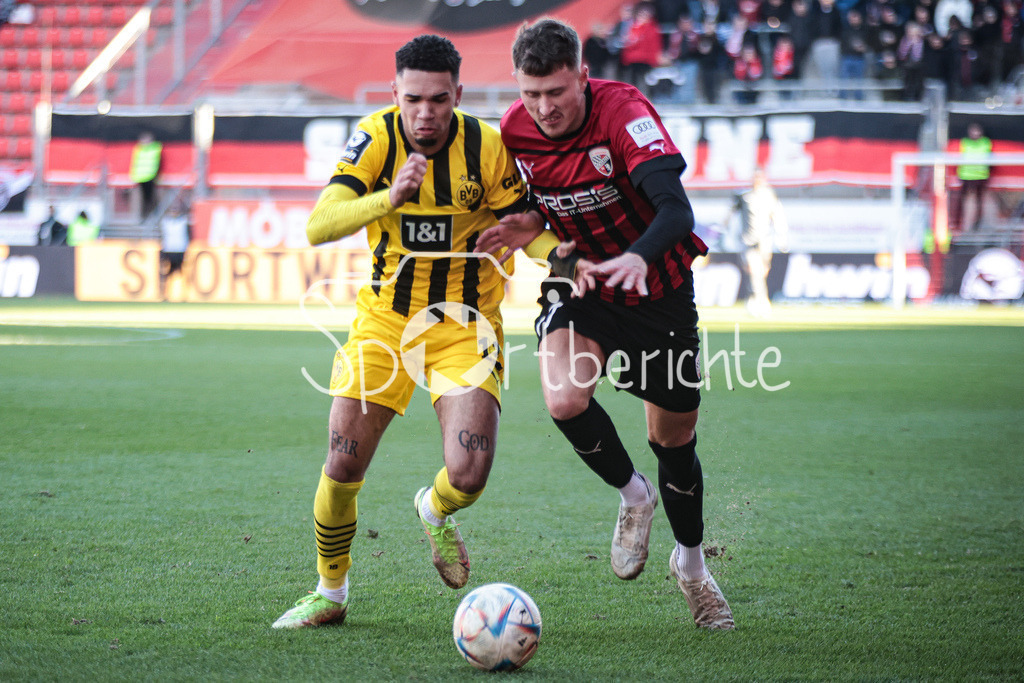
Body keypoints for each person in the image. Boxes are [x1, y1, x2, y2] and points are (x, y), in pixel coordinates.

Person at [272, 34, 570, 630]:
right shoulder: (376, 138)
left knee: (468, 474)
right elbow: (319, 224)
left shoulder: (486, 147)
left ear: (457, 94)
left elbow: (519, 229)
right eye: (413, 99)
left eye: (439, 99)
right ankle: (331, 591)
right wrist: (389, 197)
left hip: (467, 326)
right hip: (386, 323)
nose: (425, 112)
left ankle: (434, 509)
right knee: (342, 464)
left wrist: (559, 257)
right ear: (395, 93)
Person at [477, 18, 734, 630]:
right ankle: (632, 496)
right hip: (583, 285)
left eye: (556, 93)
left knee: (674, 446)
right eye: (530, 94)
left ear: (583, 78)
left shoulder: (623, 112)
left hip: (658, 289)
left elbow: (676, 210)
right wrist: (529, 228)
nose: (543, 108)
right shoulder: (512, 132)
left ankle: (692, 568)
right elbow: (536, 210)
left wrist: (636, 257)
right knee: (564, 400)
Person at [726, 168, 788, 317]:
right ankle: (758, 301)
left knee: (762, 272)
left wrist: (781, 236)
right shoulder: (744, 196)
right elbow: (730, 213)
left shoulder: (769, 195)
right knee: (754, 271)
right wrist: (724, 231)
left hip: (765, 240)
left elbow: (777, 216)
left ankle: (759, 298)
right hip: (748, 240)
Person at [953, 122, 992, 232]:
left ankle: (978, 224)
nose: (975, 133)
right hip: (966, 176)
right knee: (965, 200)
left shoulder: (985, 142)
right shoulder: (964, 142)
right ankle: (962, 224)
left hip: (981, 176)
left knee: (980, 201)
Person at [130, 131, 162, 217]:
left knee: (152, 197)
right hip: (141, 177)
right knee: (144, 198)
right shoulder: (138, 149)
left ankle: (153, 215)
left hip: (151, 176)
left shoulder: (155, 148)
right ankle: (144, 216)